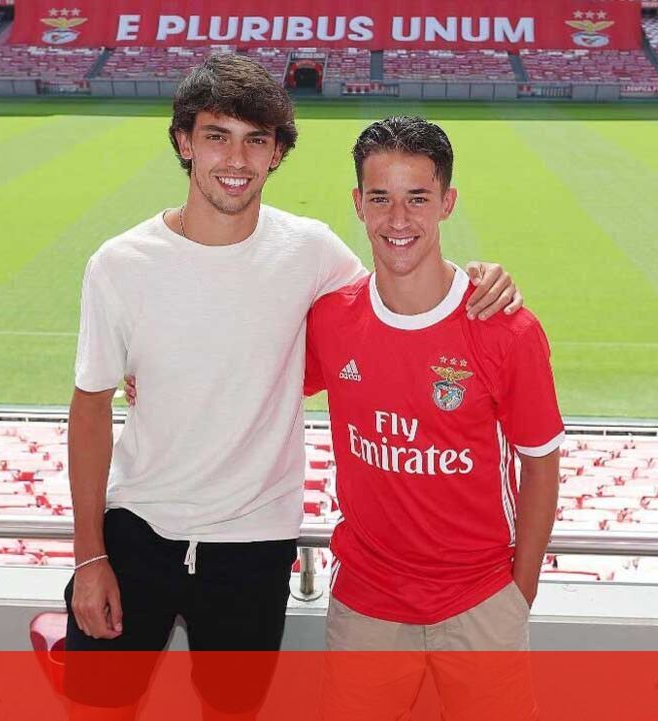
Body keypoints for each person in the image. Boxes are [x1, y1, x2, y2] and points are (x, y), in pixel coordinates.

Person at [64, 55, 524, 719]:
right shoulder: (120, 264)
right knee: (96, 708)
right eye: (217, 136)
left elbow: (400, 291)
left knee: (231, 711)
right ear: (184, 141)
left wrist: (480, 278)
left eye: (256, 140)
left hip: (254, 545)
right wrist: (89, 557)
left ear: (276, 153)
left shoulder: (310, 250)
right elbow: (89, 409)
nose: (236, 159)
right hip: (136, 530)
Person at [304, 116, 563, 720]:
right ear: (357, 204)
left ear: (447, 203)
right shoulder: (331, 320)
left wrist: (517, 594)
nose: (398, 219)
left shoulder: (506, 330)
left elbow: (541, 465)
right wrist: (155, 378)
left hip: (480, 603)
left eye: (417, 198)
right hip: (365, 605)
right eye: (381, 198)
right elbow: (253, 382)